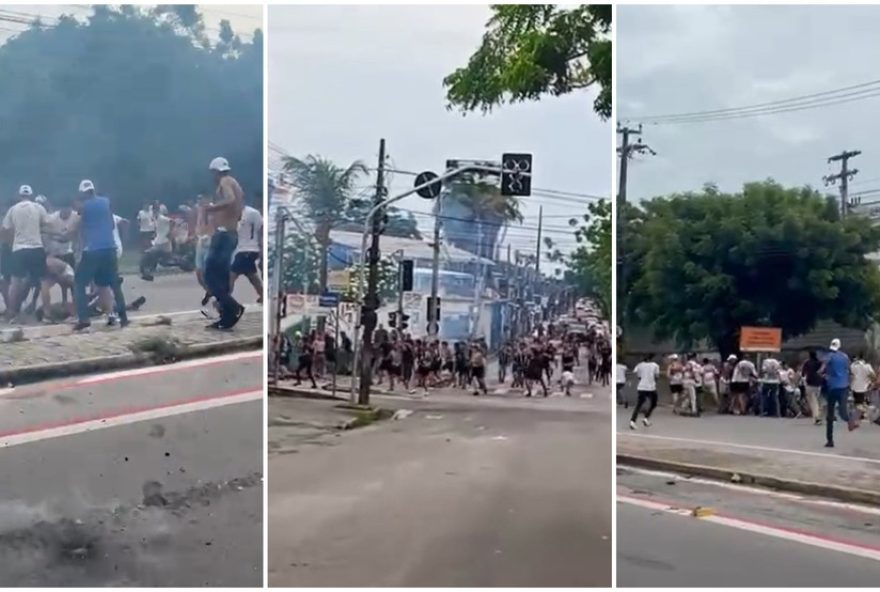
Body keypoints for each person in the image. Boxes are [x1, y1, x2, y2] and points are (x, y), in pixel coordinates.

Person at [71, 180, 128, 331]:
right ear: (94, 190)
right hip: (109, 248)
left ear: (83, 193)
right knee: (113, 284)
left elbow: (79, 226)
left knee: (79, 283)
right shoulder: (106, 202)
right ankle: (123, 318)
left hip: (93, 250)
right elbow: (110, 224)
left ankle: (84, 319)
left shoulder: (83, 206)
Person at [204, 157, 245, 329]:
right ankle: (226, 316)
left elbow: (230, 200)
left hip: (223, 235)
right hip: (231, 233)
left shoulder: (225, 182)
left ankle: (233, 307)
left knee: (210, 275)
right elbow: (239, 210)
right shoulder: (236, 183)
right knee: (221, 277)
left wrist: (212, 208)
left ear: (216, 171)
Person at [1, 185, 50, 322]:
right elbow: (46, 224)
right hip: (36, 247)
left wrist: (10, 242)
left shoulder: (13, 209)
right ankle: (46, 314)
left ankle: (12, 314)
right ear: (31, 195)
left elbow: (5, 228)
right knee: (43, 281)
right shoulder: (38, 208)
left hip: (19, 249)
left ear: (19, 195)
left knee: (15, 283)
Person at [821, 338, 859, 447]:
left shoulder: (829, 356)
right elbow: (850, 371)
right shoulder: (845, 356)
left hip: (832, 388)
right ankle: (850, 420)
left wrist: (824, 375)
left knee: (830, 414)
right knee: (842, 410)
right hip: (844, 387)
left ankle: (830, 440)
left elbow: (821, 369)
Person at [230, 200, 263, 302]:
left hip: (249, 249)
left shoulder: (252, 213)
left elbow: (260, 229)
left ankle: (224, 299)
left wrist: (261, 248)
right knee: (251, 275)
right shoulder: (234, 214)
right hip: (241, 249)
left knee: (231, 275)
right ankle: (263, 295)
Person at [630, 353, 660, 429]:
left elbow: (638, 376)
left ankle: (633, 421)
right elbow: (656, 376)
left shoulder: (639, 365)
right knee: (654, 403)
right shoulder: (655, 365)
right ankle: (646, 417)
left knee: (639, 404)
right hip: (651, 387)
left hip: (641, 386)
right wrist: (653, 382)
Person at [801, 350, 825, 425]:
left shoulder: (807, 362)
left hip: (810, 383)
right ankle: (819, 414)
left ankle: (817, 417)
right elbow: (823, 369)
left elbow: (803, 373)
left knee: (812, 401)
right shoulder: (819, 362)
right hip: (818, 383)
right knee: (817, 400)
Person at [850, 353, 875, 422]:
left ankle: (863, 414)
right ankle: (866, 413)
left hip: (854, 386)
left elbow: (852, 375)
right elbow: (872, 375)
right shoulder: (867, 366)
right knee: (860, 402)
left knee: (858, 402)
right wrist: (871, 382)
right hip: (864, 387)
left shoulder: (853, 365)